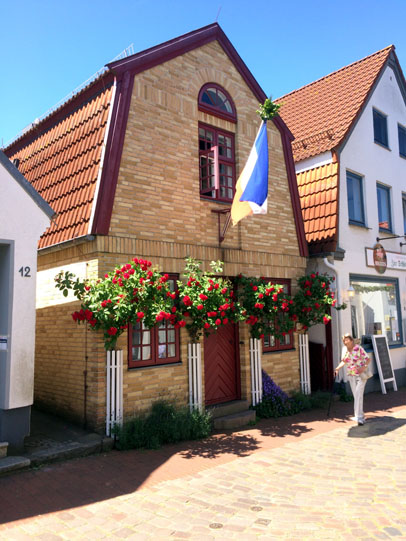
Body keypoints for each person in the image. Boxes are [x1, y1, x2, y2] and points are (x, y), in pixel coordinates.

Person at [334, 333, 371, 425]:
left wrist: (364, 367)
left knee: (358, 394)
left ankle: (359, 418)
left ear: (351, 340)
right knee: (356, 395)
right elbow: (344, 361)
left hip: (361, 374)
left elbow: (367, 359)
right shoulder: (345, 350)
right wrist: (337, 368)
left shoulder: (358, 348)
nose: (345, 342)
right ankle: (361, 415)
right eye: (344, 340)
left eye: (347, 340)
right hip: (351, 375)